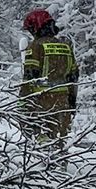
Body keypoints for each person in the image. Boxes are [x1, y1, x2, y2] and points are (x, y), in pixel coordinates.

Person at [18, 9, 77, 142]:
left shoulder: (35, 47)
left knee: (40, 144)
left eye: (30, 29)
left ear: (36, 27)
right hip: (63, 103)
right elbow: (74, 77)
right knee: (59, 145)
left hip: (41, 104)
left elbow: (29, 77)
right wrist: (72, 102)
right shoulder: (65, 46)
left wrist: (22, 103)